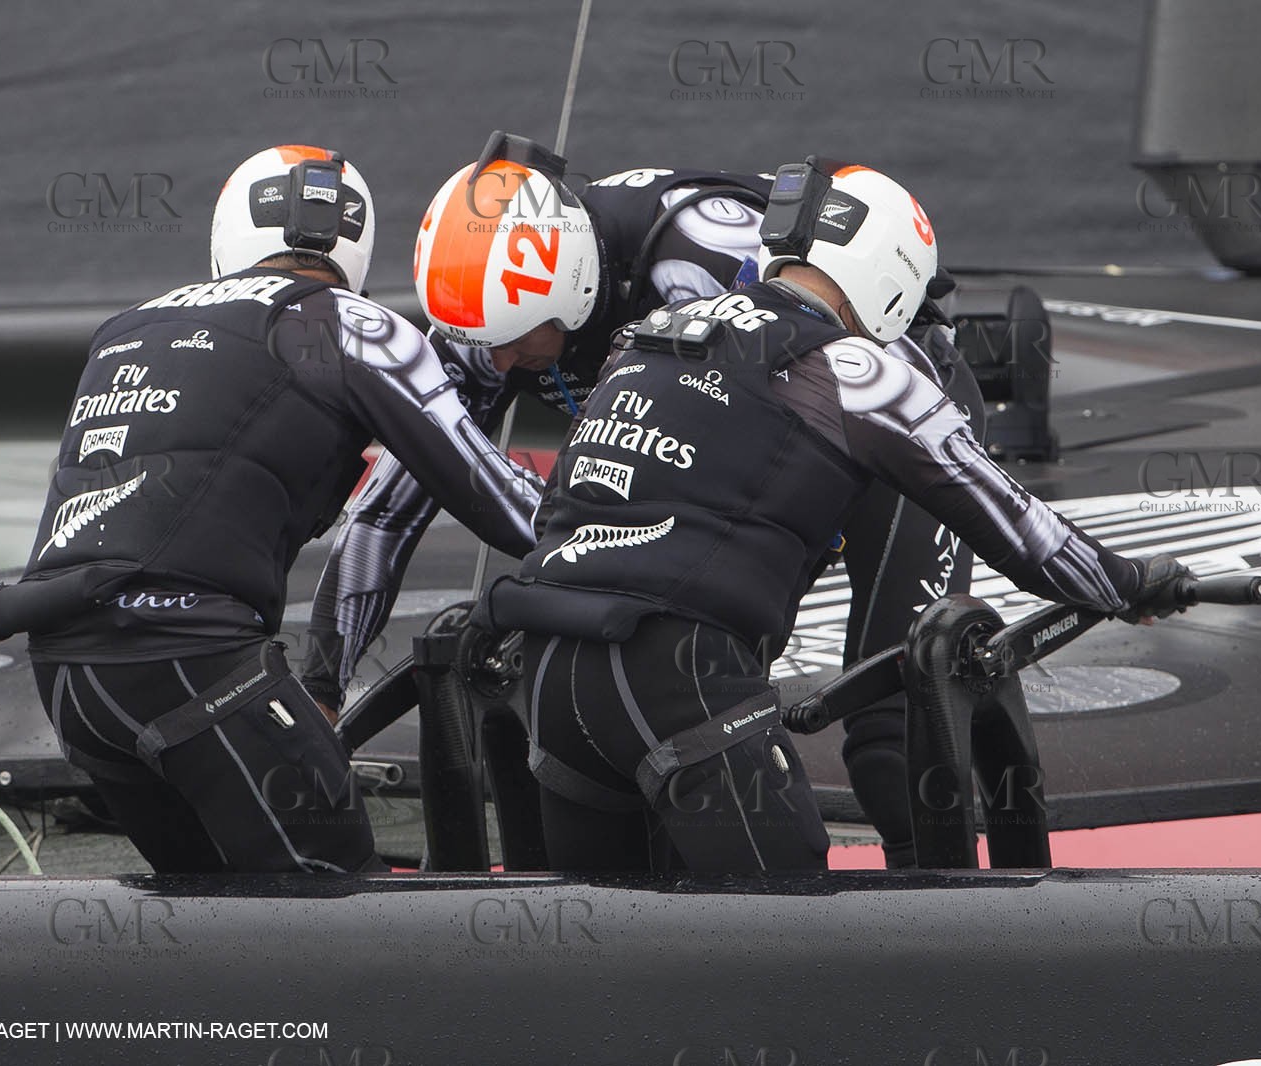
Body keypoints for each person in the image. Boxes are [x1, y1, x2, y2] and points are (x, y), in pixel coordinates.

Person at [470, 159, 1192, 874]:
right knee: (797, 958)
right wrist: (1130, 584)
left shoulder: (649, 331)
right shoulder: (854, 367)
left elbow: (565, 499)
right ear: (892, 284)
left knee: (598, 963)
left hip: (552, 672)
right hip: (677, 677)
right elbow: (1018, 527)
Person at [306, 132, 985, 869]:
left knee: (890, 722)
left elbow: (851, 403)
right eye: (479, 344)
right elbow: (385, 510)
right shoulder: (497, 310)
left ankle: (947, 940)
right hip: (726, 459)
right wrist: (322, 687)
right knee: (655, 708)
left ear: (570, 290)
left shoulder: (702, 261)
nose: (497, 364)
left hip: (890, 385)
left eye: (510, 342)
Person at [0, 144, 543, 874]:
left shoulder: (122, 329)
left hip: (65, 678)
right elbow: (506, 513)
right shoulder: (354, 324)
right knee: (339, 911)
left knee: (204, 922)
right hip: (193, 669)